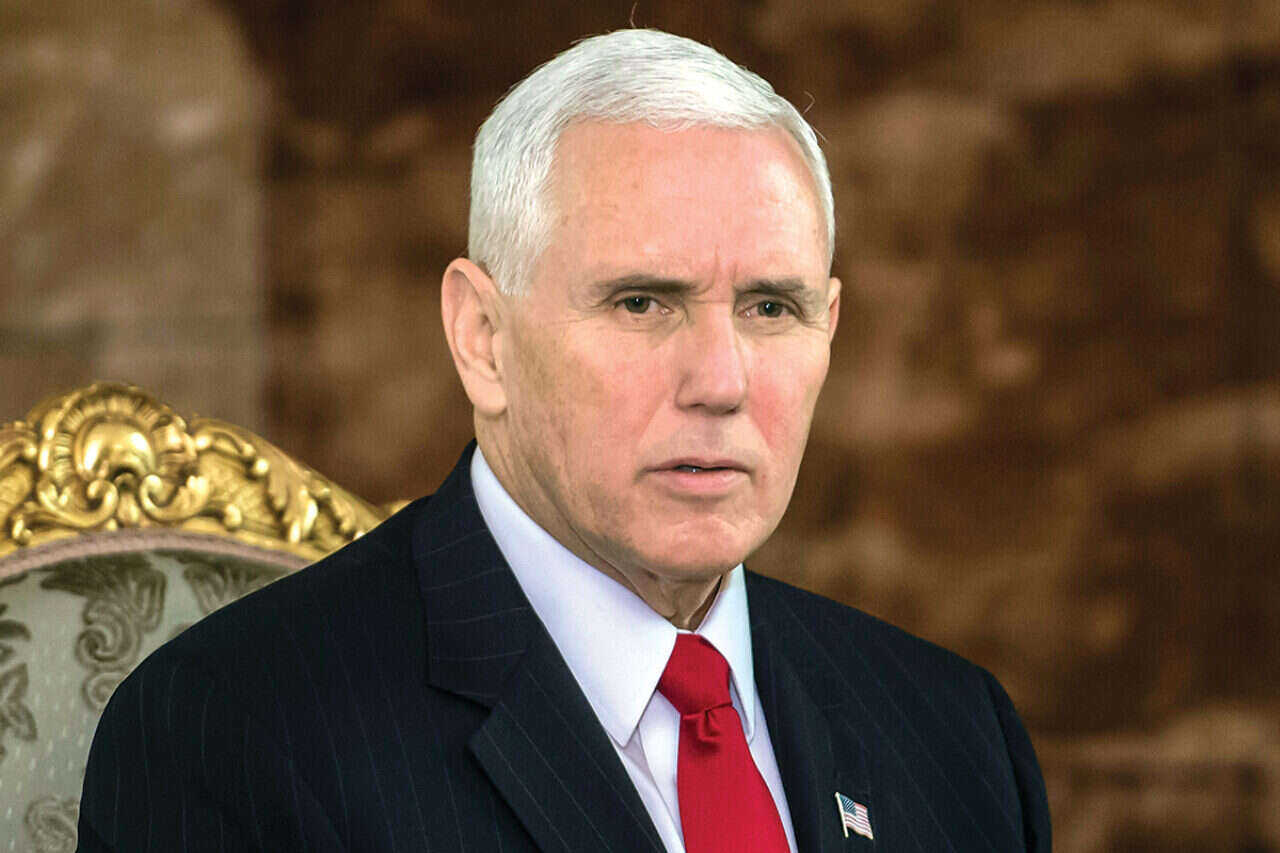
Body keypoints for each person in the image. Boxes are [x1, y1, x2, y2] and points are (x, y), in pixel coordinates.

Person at [77, 28, 1051, 852]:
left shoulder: (957, 736)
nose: (721, 382)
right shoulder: (231, 735)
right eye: (642, 302)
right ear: (482, 338)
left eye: (769, 307)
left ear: (828, 328)